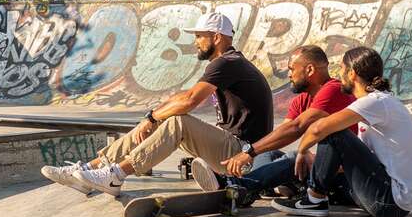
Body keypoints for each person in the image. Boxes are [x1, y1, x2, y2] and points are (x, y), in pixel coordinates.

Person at [42, 12, 274, 196]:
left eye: (199, 36)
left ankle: (116, 175)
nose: (195, 42)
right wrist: (151, 117)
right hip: (235, 149)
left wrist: (154, 118)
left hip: (244, 156)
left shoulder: (227, 63)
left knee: (178, 122)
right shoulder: (230, 62)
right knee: (165, 118)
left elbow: (190, 101)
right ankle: (91, 170)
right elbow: (184, 95)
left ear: (216, 37)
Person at [273, 46, 412, 217]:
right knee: (322, 170)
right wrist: (321, 164)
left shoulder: (375, 102)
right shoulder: (380, 101)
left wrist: (302, 151)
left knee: (334, 132)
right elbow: (360, 160)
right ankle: (304, 188)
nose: (339, 74)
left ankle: (314, 200)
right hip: (387, 197)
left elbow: (318, 128)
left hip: (390, 201)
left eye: (342, 69)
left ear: (352, 73)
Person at [190, 45, 353, 200]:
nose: (289, 74)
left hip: (347, 177)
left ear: (309, 70)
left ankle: (235, 185)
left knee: (294, 157)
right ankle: (249, 190)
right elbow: (281, 135)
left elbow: (295, 128)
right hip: (324, 174)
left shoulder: (333, 90)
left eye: (291, 69)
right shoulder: (302, 100)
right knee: (268, 153)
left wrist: (248, 152)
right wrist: (253, 152)